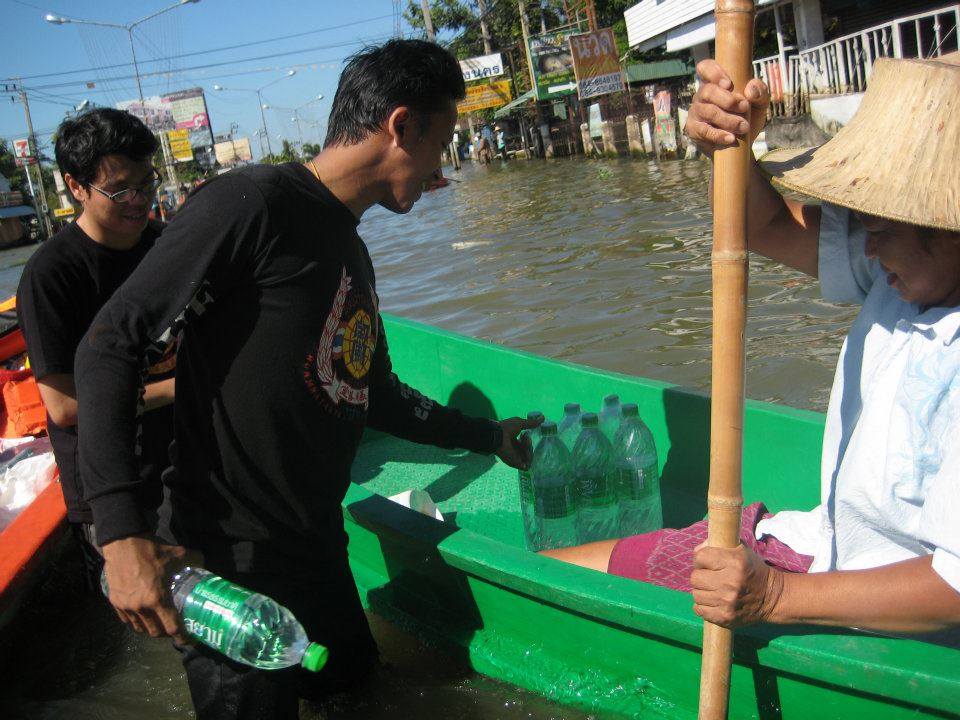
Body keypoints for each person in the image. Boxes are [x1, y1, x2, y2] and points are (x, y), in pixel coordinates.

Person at [74, 40, 536, 719]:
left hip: (316, 550)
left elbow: (375, 394)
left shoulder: (349, 251)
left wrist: (487, 434)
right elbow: (110, 345)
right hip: (230, 557)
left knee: (360, 694)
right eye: (442, 141)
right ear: (400, 125)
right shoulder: (248, 204)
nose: (442, 166)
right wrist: (120, 534)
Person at [543, 53, 960, 636]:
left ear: (946, 225)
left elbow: (953, 587)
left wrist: (776, 596)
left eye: (884, 230)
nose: (867, 249)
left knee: (565, 584)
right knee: (559, 569)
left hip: (858, 606)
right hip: (818, 545)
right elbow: (761, 227)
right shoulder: (908, 272)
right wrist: (732, 144)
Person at [16, 108, 176, 592]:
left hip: (179, 460)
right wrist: (179, 387)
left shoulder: (165, 247)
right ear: (76, 186)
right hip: (111, 487)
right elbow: (64, 409)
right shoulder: (51, 277)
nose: (139, 201)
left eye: (147, 183)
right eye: (120, 190)